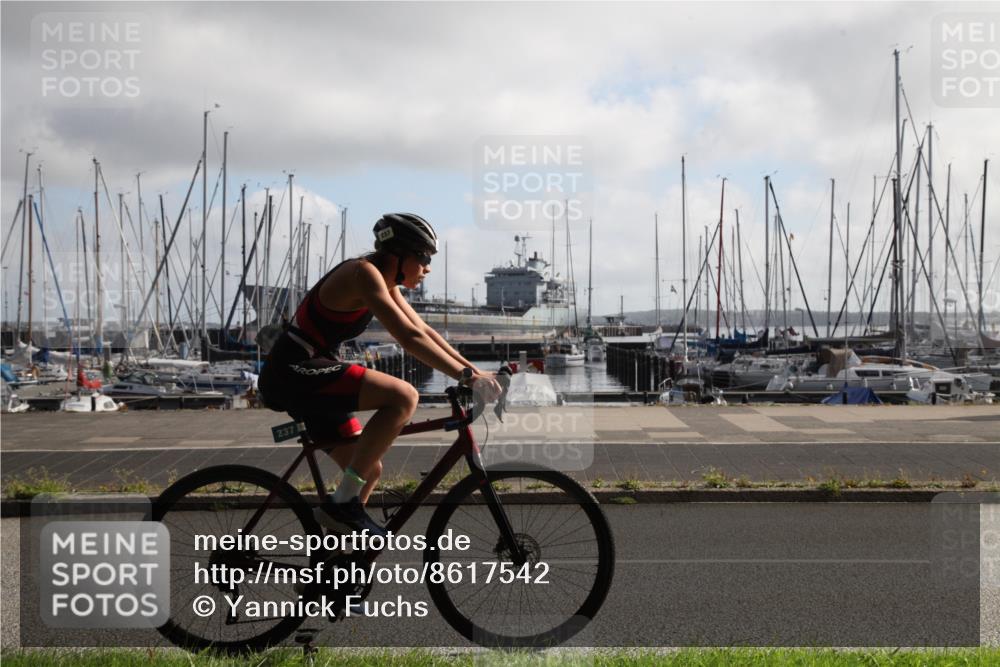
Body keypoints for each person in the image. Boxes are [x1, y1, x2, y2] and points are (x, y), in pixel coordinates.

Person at [258, 213, 501, 537]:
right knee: (403, 396)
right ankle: (342, 505)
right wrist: (467, 377)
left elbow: (422, 329)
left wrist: (473, 370)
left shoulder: (385, 282)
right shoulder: (364, 274)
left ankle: (334, 571)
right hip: (293, 369)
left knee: (367, 469)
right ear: (398, 255)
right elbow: (409, 339)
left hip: (313, 370)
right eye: (424, 257)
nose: (428, 267)